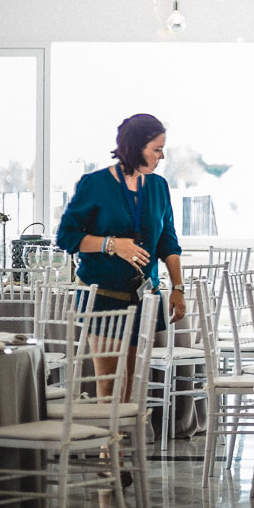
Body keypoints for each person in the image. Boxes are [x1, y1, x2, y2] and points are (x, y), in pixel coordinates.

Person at [57, 113, 185, 407]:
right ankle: (108, 453)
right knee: (111, 387)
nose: (161, 156)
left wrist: (178, 287)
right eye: (156, 149)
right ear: (136, 146)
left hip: (143, 298)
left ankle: (118, 451)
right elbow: (66, 237)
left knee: (127, 386)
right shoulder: (95, 183)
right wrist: (112, 245)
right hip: (103, 296)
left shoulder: (158, 186)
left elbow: (169, 241)